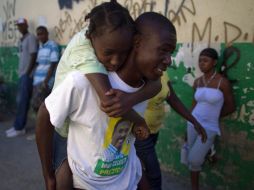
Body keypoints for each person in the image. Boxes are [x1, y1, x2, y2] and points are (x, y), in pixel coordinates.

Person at [36, 11, 177, 190]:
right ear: (137, 43)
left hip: (125, 177)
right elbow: (45, 116)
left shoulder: (148, 84)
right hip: (83, 176)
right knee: (62, 175)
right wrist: (48, 176)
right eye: (163, 50)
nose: (169, 60)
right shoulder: (82, 79)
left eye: (171, 52)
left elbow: (155, 87)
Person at [135, 72, 207, 190]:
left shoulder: (162, 72)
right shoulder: (138, 72)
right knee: (154, 175)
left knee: (142, 169)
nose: (168, 60)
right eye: (163, 53)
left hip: (154, 130)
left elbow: (172, 99)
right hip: (140, 132)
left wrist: (194, 121)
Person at [185, 48, 235, 190]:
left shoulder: (222, 82)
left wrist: (213, 116)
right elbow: (194, 104)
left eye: (205, 61)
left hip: (209, 126)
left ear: (214, 62)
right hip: (193, 123)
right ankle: (208, 152)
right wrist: (188, 121)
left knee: (194, 159)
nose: (202, 64)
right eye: (200, 61)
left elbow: (231, 106)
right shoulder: (197, 82)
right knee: (191, 157)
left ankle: (209, 150)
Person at [6, 18, 38, 138]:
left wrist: (27, 73)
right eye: (18, 26)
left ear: (26, 25)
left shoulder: (30, 38)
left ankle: (19, 127)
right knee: (20, 102)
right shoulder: (22, 39)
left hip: (27, 75)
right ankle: (17, 126)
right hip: (22, 75)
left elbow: (33, 56)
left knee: (22, 102)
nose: (19, 28)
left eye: (21, 25)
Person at [31, 26, 60, 113]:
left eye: (42, 34)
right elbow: (38, 63)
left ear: (47, 34)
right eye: (38, 34)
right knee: (37, 105)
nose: (40, 36)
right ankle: (41, 125)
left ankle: (44, 125)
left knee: (41, 106)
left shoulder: (52, 45)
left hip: (45, 82)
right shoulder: (40, 46)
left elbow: (53, 64)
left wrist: (45, 82)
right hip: (37, 81)